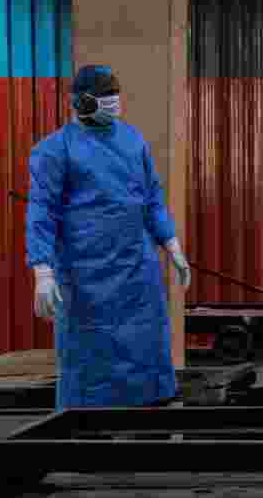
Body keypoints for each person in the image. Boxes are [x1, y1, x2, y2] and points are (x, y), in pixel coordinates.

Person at [25, 64, 192, 410]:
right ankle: (86, 432)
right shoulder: (54, 151)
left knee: (145, 346)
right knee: (91, 354)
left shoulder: (132, 140)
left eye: (115, 96)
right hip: (87, 274)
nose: (113, 103)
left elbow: (152, 199)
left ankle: (148, 426)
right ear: (81, 103)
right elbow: (42, 213)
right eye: (104, 97)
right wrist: (42, 270)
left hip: (136, 267)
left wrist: (171, 244)